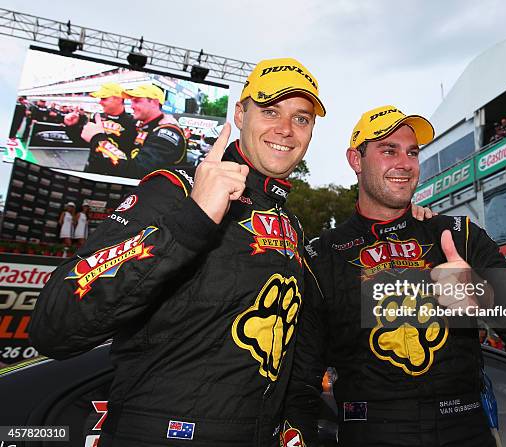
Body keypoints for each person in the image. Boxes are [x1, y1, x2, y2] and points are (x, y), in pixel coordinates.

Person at [31, 57, 330, 447]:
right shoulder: (177, 189)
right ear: (240, 114)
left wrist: (297, 426)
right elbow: (55, 323)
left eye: (302, 119)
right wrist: (193, 220)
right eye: (271, 110)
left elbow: (298, 352)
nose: (286, 130)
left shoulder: (289, 223)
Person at [285, 105, 506, 446]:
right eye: (388, 150)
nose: (404, 163)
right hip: (369, 432)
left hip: (464, 427)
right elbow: (300, 381)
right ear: (356, 161)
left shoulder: (459, 236)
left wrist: (486, 296)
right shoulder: (322, 254)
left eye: (412, 152)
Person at [81, 83, 186, 179]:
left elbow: (138, 171)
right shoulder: (142, 126)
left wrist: (98, 138)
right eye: (131, 101)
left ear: (154, 102)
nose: (131, 106)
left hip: (153, 196)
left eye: (137, 101)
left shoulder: (166, 132)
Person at [67, 83, 137, 175]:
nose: (100, 102)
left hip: (116, 175)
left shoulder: (132, 123)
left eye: (104, 98)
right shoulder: (97, 118)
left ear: (118, 99)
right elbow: (80, 142)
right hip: (91, 171)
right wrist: (72, 126)